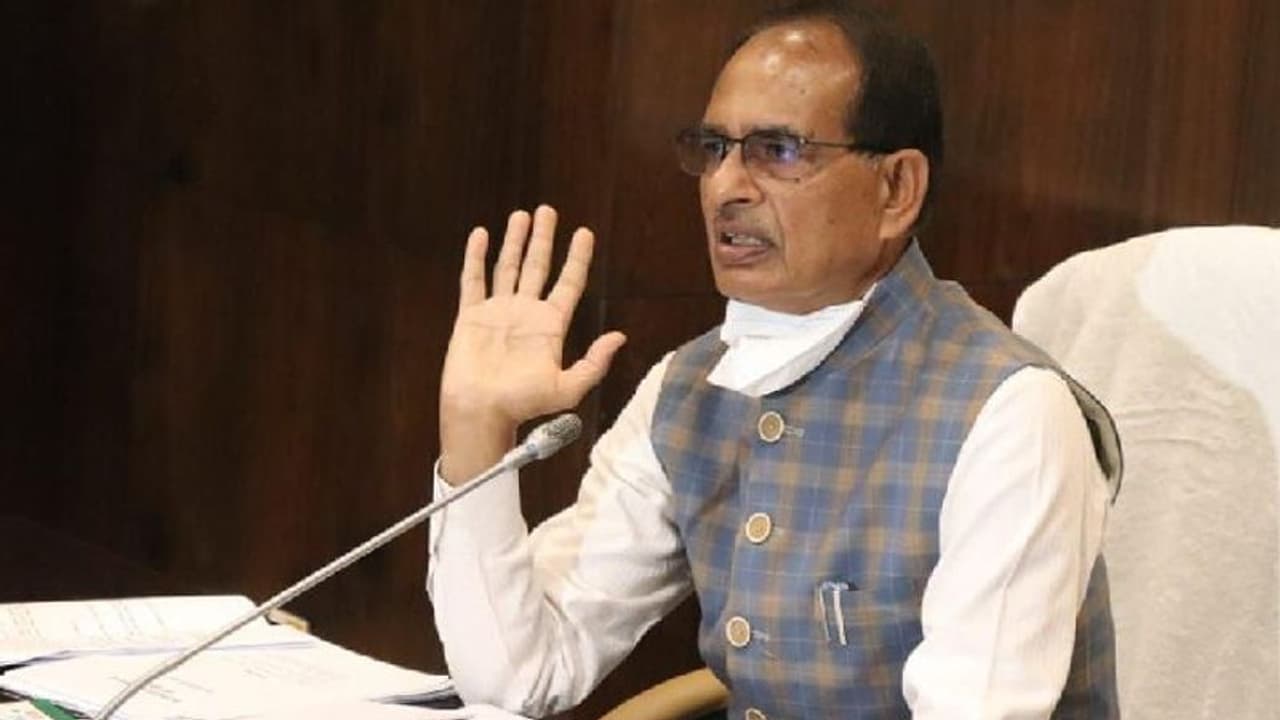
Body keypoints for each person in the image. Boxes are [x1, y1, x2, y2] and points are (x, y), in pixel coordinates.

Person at [427, 1, 1122, 718]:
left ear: (896, 189)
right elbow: (518, 678)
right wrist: (476, 429)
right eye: (714, 148)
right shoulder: (690, 388)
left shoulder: (1009, 413)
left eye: (778, 150)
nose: (726, 186)